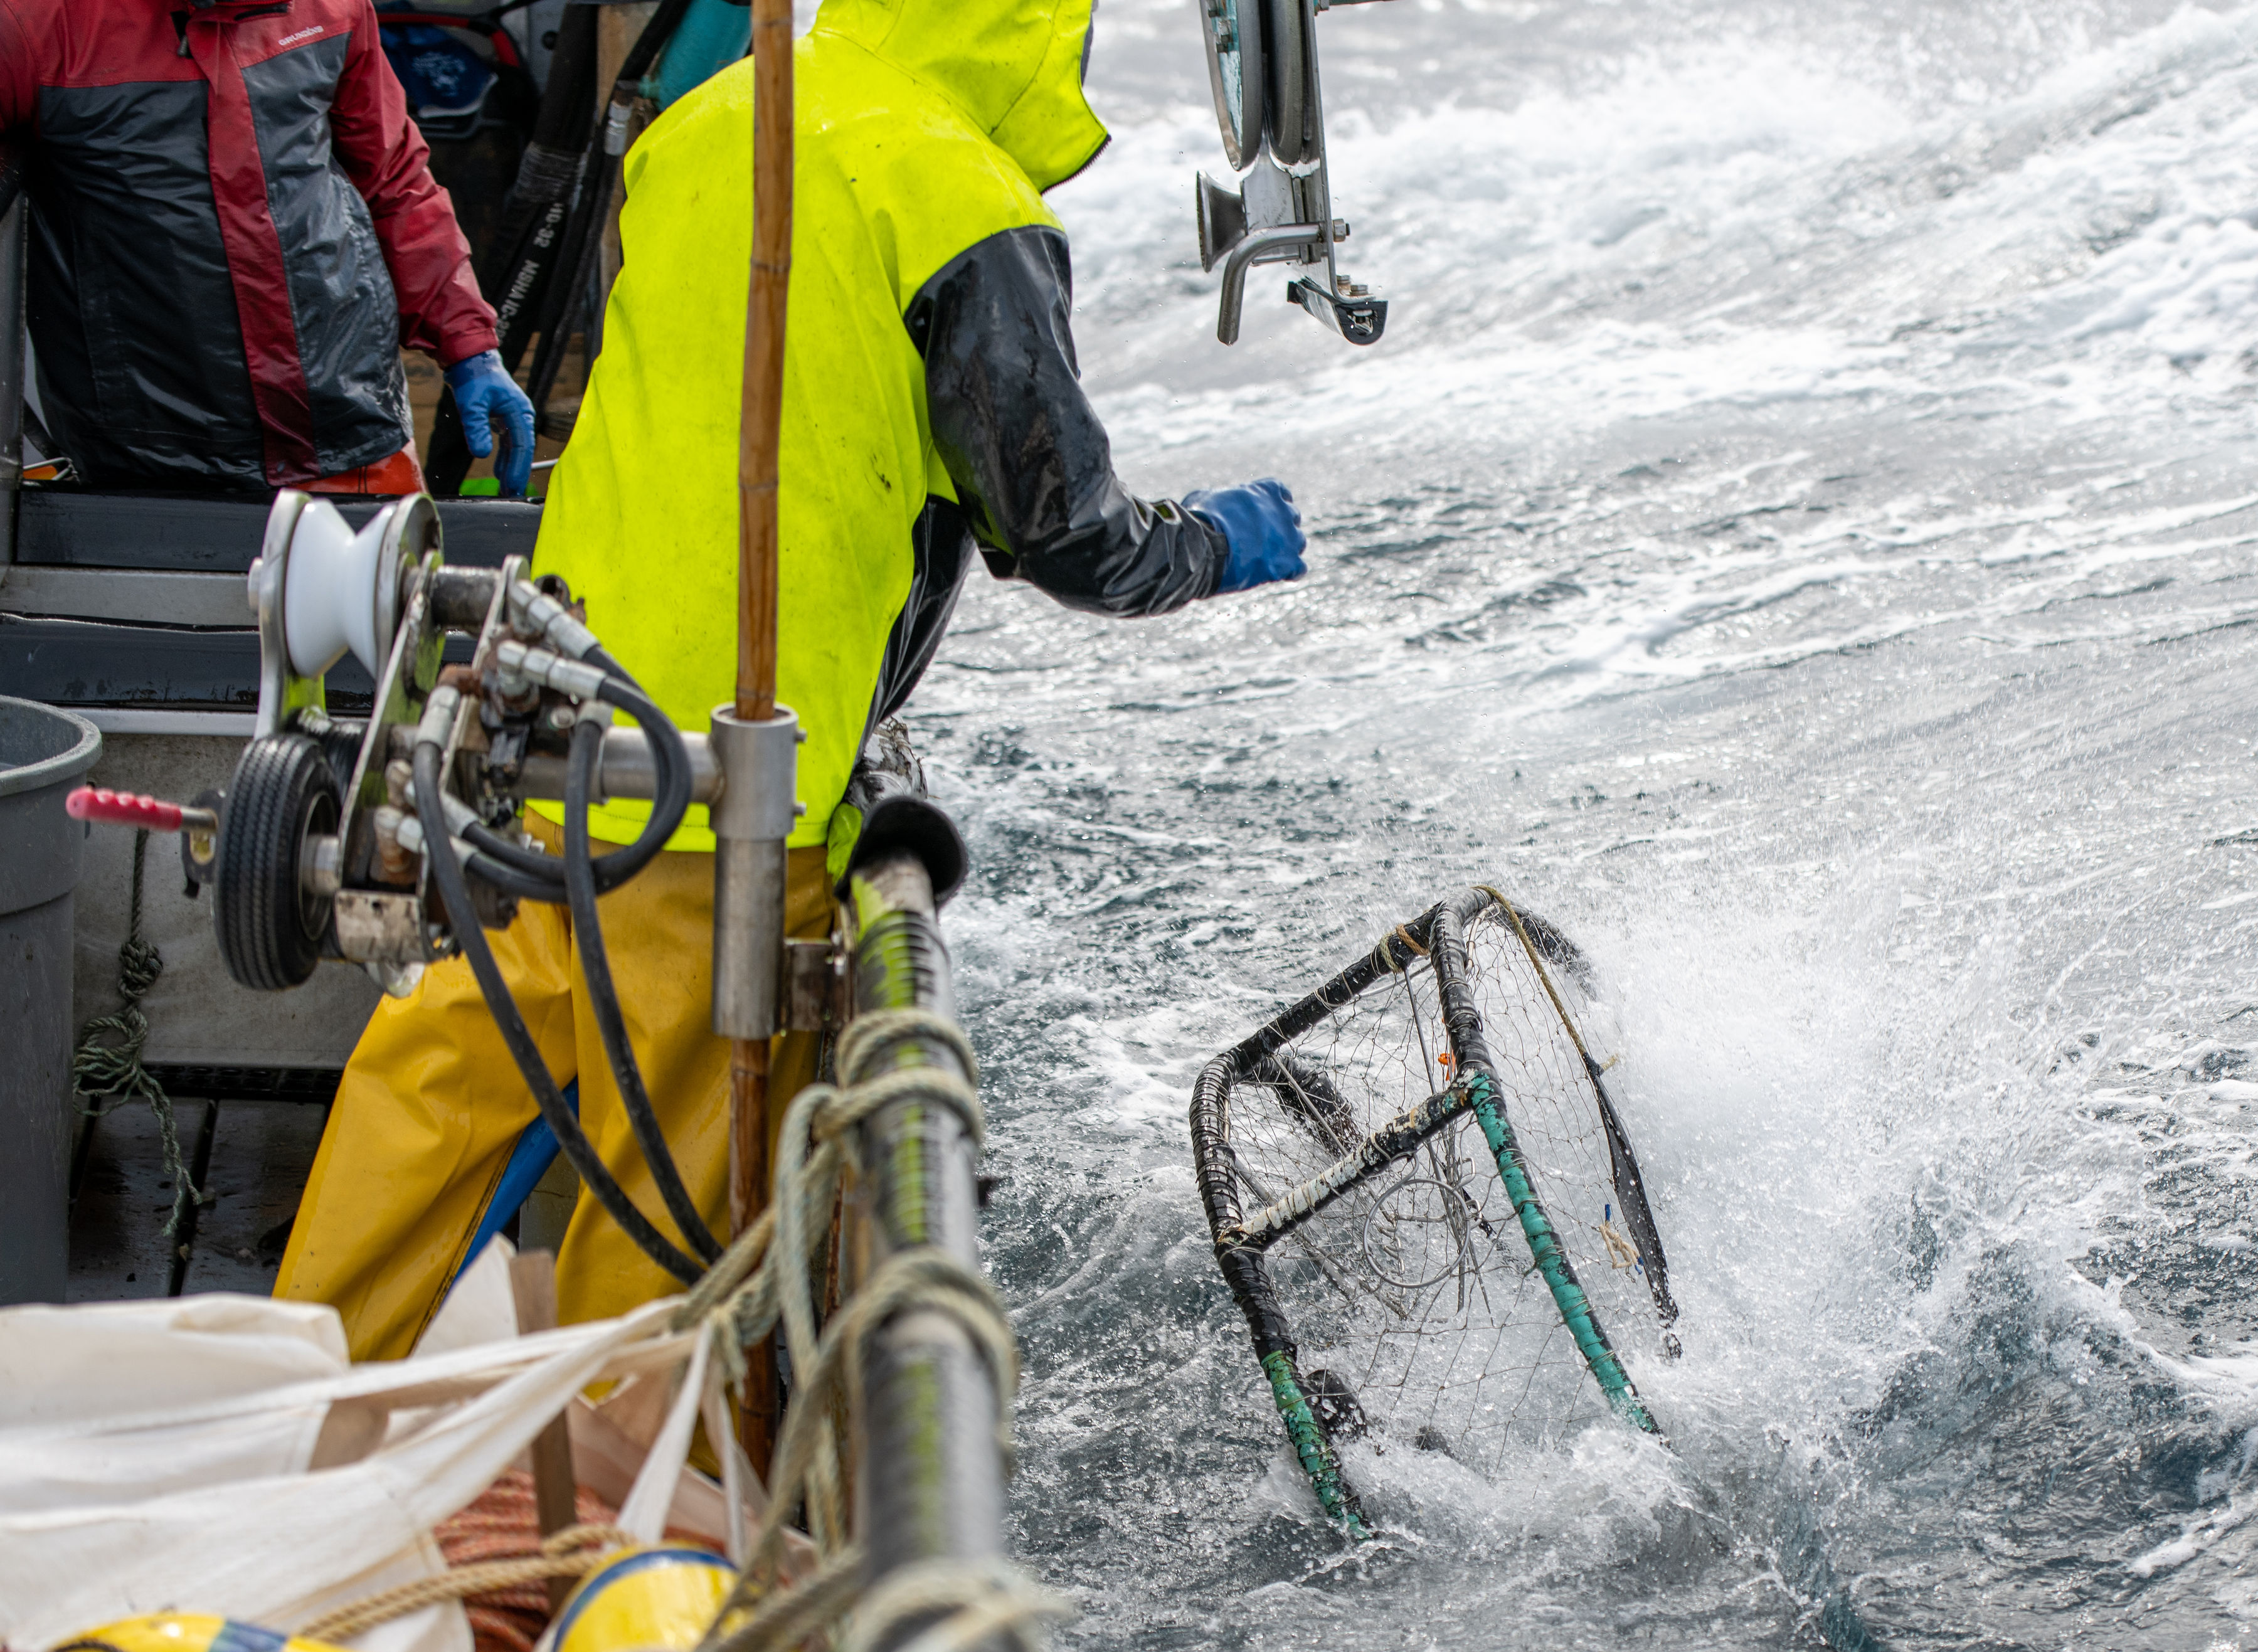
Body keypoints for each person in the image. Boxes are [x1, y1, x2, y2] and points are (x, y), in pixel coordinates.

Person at [275, 0, 1307, 1357]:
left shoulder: (711, 123)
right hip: (728, 777)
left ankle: (275, 1384)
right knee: (670, 1179)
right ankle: (633, 1507)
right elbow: (1062, 532)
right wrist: (1218, 544)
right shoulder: (962, 196)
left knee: (445, 1085)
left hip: (546, 705)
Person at [0, 0, 534, 495]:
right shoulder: (36, 22)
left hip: (354, 436)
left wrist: (469, 347)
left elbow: (394, 181)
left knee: (384, 592)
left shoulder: (332, 8)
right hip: (148, 472)